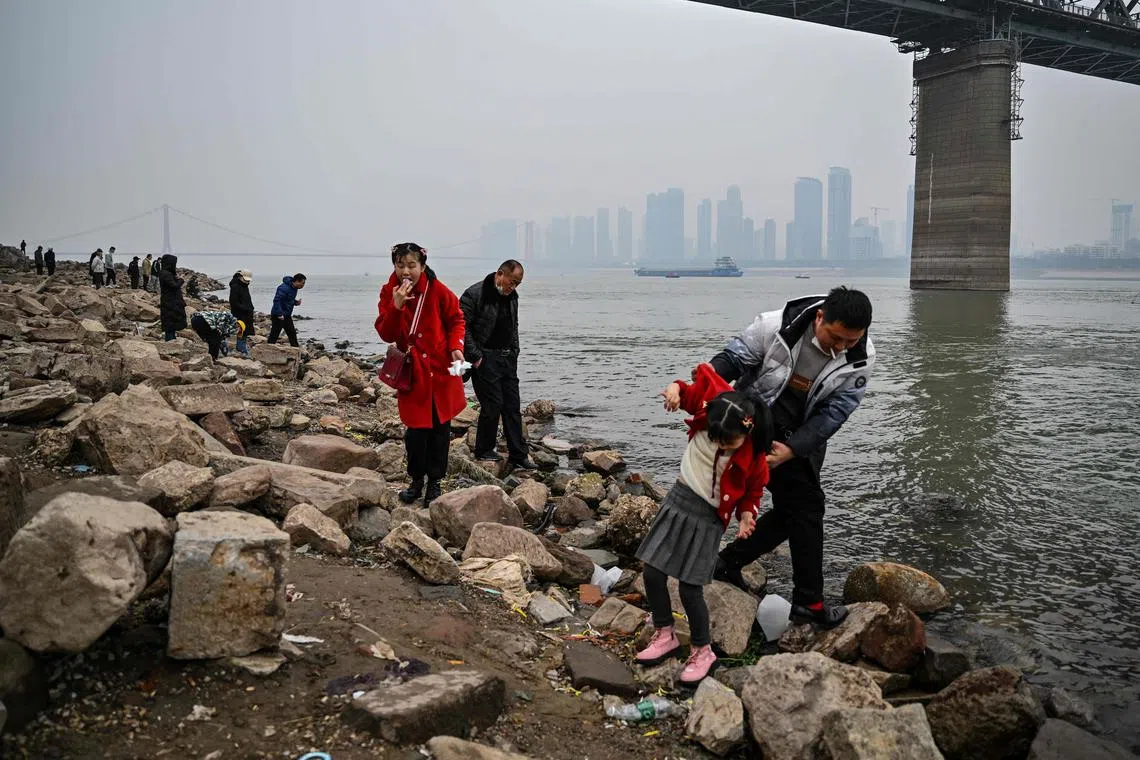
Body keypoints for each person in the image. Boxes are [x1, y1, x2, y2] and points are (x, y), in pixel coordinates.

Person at [709, 287, 874, 629]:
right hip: (755, 419)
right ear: (820, 318)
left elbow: (835, 412)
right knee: (806, 507)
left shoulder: (861, 357)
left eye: (851, 340)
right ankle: (808, 602)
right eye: (837, 337)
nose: (841, 347)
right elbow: (732, 360)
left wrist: (793, 450)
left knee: (795, 510)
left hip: (802, 432)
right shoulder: (775, 326)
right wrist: (701, 390)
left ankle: (726, 564)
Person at [633, 363, 773, 685]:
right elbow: (685, 389)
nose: (722, 445)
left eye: (730, 442)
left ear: (746, 432)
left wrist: (747, 516)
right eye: (716, 438)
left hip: (708, 520)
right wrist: (673, 390)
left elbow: (753, 491)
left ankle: (702, 649)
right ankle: (665, 631)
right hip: (678, 500)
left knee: (690, 586)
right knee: (652, 570)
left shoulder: (753, 457)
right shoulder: (710, 409)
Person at [375, 243, 466, 507]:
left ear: (422, 266)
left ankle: (435, 482)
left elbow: (457, 320)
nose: (406, 271)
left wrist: (456, 347)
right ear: (394, 266)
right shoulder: (388, 292)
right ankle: (416, 480)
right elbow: (387, 334)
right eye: (400, 265)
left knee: (440, 430)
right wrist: (396, 306)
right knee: (415, 432)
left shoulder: (438, 291)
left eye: (412, 265)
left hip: (440, 370)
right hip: (412, 373)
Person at [459, 260, 536, 470]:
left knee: (512, 406)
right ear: (500, 274)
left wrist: (515, 352)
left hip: (507, 357)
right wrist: (476, 357)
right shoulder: (474, 294)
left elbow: (514, 327)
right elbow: (461, 328)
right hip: (484, 357)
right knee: (492, 404)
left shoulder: (513, 297)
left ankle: (518, 455)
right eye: (512, 282)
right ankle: (484, 449)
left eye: (518, 284)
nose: (514, 287)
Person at [269, 273, 306, 346]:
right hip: (278, 315)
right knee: (275, 334)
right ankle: (267, 349)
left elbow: (288, 299)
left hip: (287, 315)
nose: (303, 286)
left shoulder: (294, 288)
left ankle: (296, 350)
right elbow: (277, 300)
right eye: (302, 283)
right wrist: (279, 314)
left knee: (292, 333)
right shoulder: (283, 288)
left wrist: (296, 302)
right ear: (296, 281)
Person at [158, 254, 187, 341]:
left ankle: (172, 339)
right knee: (170, 324)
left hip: (171, 302)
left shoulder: (166, 273)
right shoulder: (165, 274)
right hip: (170, 303)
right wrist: (181, 279)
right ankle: (170, 341)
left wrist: (177, 278)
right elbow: (174, 286)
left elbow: (172, 284)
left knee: (172, 324)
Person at [228, 270, 255, 357]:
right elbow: (233, 302)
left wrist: (250, 308)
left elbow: (247, 299)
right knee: (241, 332)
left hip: (247, 313)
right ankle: (242, 351)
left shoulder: (244, 286)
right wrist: (246, 309)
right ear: (240, 277)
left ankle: (242, 350)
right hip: (240, 314)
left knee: (245, 333)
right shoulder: (235, 286)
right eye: (246, 280)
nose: (247, 282)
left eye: (248, 280)